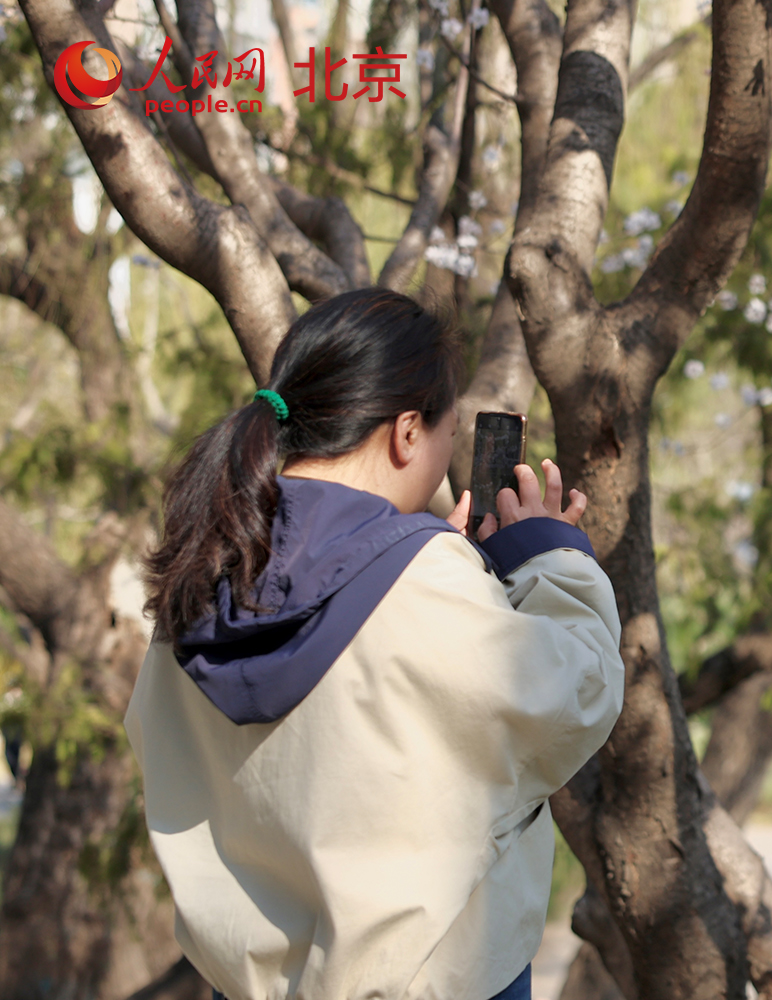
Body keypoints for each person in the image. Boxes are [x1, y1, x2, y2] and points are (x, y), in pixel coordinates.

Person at [125, 288, 625, 1000]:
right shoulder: (416, 577)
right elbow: (577, 695)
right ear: (408, 434)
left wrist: (445, 577)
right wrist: (552, 554)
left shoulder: (199, 573)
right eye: (448, 437)